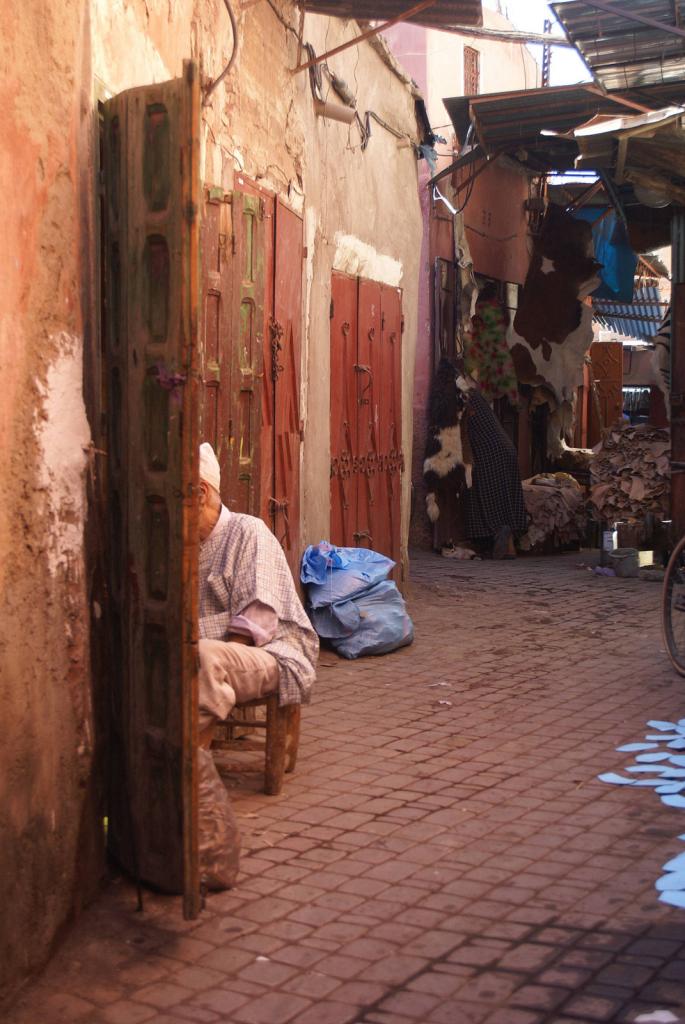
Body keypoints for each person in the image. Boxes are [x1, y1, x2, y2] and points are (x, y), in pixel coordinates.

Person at [197, 442, 318, 746]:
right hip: (222, 650)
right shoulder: (183, 543)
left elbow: (254, 627)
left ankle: (191, 765)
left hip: (274, 652)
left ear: (199, 494)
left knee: (201, 657)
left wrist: (196, 636)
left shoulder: (248, 531)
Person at [456, 369, 527, 559]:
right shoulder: (476, 398)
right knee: (506, 497)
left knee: (482, 493)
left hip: (491, 453)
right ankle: (509, 545)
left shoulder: (465, 401)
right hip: (506, 450)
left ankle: (496, 533)